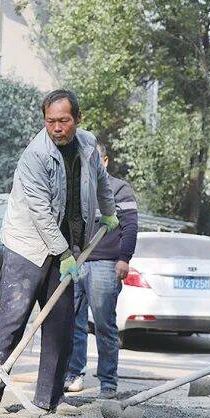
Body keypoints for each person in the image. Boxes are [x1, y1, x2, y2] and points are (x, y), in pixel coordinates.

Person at [0, 90, 117, 413]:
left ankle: (50, 398)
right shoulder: (35, 155)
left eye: (63, 121)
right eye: (50, 121)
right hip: (27, 244)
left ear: (77, 119)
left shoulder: (87, 145)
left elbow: (101, 182)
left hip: (65, 244)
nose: (56, 128)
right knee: (13, 316)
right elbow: (40, 212)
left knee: (61, 323)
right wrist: (64, 254)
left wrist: (109, 212)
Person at [64, 145, 138, 398]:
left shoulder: (119, 188)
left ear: (104, 161)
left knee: (104, 325)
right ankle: (74, 374)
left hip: (105, 264)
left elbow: (130, 226)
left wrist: (124, 259)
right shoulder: (77, 189)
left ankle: (107, 381)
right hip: (76, 262)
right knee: (73, 323)